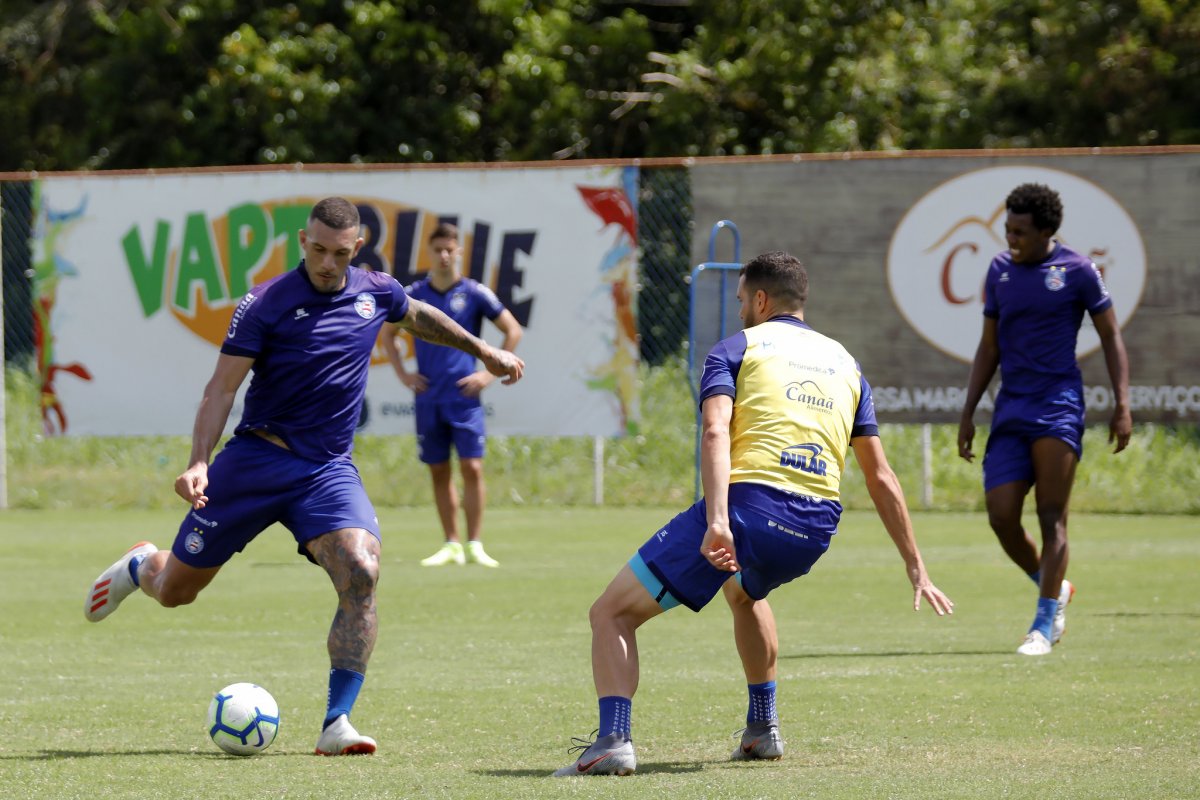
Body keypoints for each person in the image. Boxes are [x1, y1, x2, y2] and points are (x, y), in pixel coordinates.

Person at [84, 197, 524, 755]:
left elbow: (418, 316)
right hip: (255, 461)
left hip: (326, 471)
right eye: (317, 250)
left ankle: (337, 723)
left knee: (362, 570)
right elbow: (221, 389)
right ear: (302, 241)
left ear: (356, 248)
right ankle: (141, 565)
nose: (326, 263)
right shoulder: (264, 303)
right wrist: (199, 461)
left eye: (339, 253)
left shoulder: (375, 291)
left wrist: (484, 350)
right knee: (175, 592)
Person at [552, 251, 953, 777]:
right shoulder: (845, 364)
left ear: (761, 300)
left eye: (742, 299)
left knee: (611, 613)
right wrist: (915, 565)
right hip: (814, 527)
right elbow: (880, 475)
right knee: (743, 591)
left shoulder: (737, 348)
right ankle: (763, 729)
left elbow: (715, 430)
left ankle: (612, 741)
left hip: (749, 511)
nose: (740, 309)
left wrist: (718, 521)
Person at [957, 182, 1131, 657]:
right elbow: (988, 346)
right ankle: (1054, 586)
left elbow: (1111, 336)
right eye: (1007, 229)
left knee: (1052, 517)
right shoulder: (999, 270)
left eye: (1020, 231)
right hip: (1011, 409)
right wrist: (968, 412)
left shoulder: (1078, 271)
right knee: (1001, 516)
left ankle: (1043, 624)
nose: (1010, 239)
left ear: (1046, 231)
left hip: (1058, 405)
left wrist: (1122, 404)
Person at [381, 222, 523, 568]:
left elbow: (512, 330)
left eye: (450, 249)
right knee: (438, 469)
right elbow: (387, 335)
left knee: (472, 466)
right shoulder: (414, 294)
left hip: (464, 396)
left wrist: (488, 374)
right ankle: (451, 544)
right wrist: (403, 374)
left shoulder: (474, 293)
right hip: (429, 395)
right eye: (438, 249)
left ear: (459, 252)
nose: (444, 255)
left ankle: (475, 544)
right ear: (429, 253)